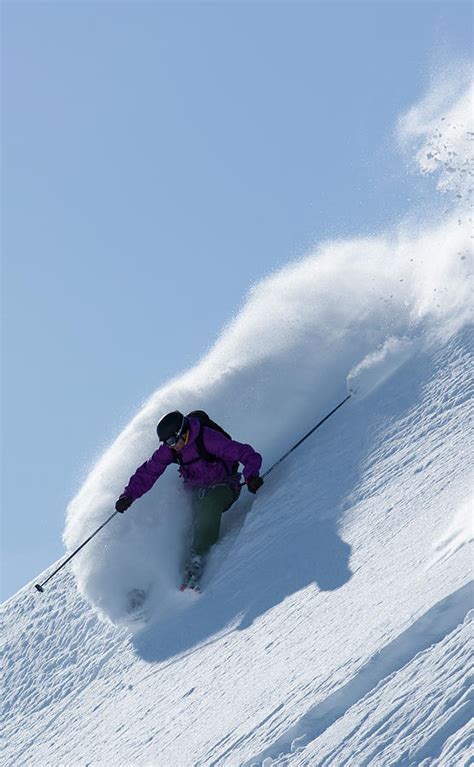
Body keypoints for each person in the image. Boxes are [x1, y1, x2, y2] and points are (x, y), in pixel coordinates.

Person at [115, 410, 263, 584]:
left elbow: (245, 453)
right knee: (177, 523)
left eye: (172, 441)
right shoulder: (170, 449)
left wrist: (251, 475)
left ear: (182, 432)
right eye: (166, 443)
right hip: (195, 492)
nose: (170, 446)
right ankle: (148, 583)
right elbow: (148, 471)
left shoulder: (207, 439)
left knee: (209, 504)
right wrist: (128, 495)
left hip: (225, 486)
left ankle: (197, 559)